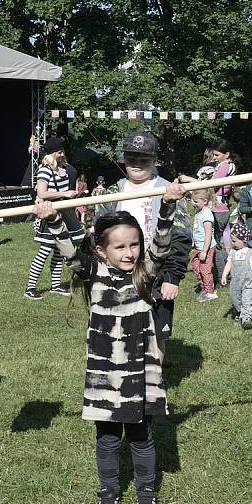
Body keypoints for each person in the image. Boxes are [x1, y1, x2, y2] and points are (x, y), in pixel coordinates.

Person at [33, 179, 185, 504]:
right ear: (101, 251)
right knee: (107, 439)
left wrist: (169, 205)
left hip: (139, 370)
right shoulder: (93, 274)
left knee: (142, 437)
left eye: (134, 245)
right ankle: (108, 495)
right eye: (119, 247)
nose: (129, 253)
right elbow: (70, 251)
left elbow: (161, 246)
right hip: (105, 372)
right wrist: (53, 218)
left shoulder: (144, 274)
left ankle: (146, 495)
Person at [96, 130, 191, 354]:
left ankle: (153, 385)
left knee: (156, 335)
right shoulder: (113, 192)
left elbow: (181, 238)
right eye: (131, 158)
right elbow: (98, 236)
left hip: (157, 275)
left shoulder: (169, 191)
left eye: (143, 158)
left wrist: (172, 277)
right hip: (119, 276)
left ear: (154, 160)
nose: (136, 163)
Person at [24, 137, 84, 300]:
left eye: (62, 150)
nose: (62, 153)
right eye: (59, 151)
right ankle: (30, 287)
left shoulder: (65, 168)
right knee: (44, 251)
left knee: (60, 251)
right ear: (52, 153)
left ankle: (56, 285)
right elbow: (42, 193)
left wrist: (72, 194)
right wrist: (63, 194)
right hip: (50, 213)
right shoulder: (45, 169)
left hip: (64, 212)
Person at [181, 140, 239, 282]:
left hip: (218, 209)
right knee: (218, 243)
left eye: (216, 155)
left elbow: (209, 185)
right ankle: (224, 272)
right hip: (221, 207)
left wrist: (188, 179)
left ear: (227, 154)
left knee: (215, 244)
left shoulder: (225, 166)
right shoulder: (226, 165)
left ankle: (221, 276)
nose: (213, 158)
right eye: (213, 155)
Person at [220, 221, 252, 330]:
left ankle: (246, 318)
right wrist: (224, 275)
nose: (232, 243)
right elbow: (229, 263)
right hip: (235, 281)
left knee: (246, 299)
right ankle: (238, 312)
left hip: (249, 281)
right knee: (235, 299)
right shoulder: (233, 251)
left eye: (234, 241)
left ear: (244, 240)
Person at [190, 189, 217, 302]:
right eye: (192, 200)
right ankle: (204, 288)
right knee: (197, 268)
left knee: (205, 270)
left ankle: (210, 292)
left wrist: (204, 251)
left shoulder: (206, 215)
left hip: (206, 248)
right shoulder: (199, 212)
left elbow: (208, 235)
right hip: (198, 247)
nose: (192, 203)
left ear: (205, 201)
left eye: (195, 201)